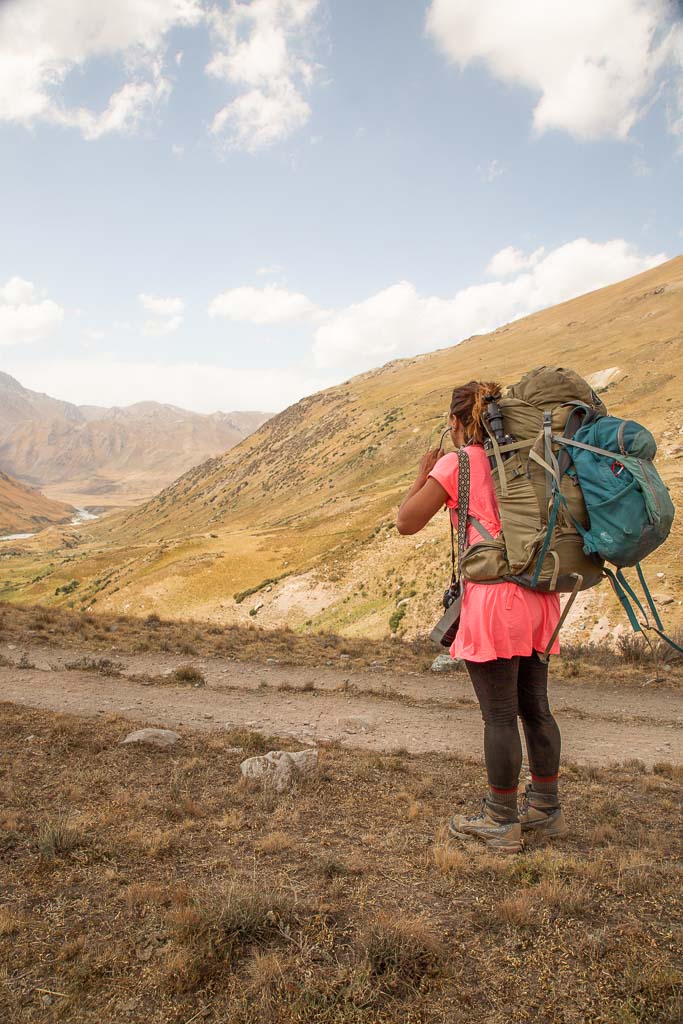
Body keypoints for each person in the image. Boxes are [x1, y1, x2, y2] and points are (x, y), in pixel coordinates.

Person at [396, 380, 568, 855]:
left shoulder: (459, 462)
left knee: (498, 715)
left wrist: (422, 475)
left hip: (494, 600)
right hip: (539, 595)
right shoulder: (527, 455)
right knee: (535, 706)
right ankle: (546, 809)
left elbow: (406, 521)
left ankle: (500, 820)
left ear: (456, 422)